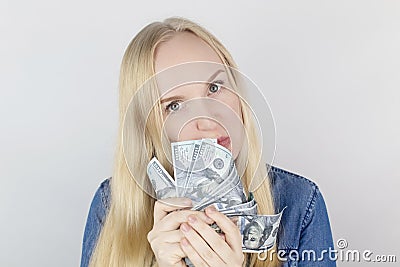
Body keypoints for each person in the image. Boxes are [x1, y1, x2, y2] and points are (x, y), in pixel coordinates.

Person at [80, 17, 336, 267]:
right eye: (175, 105)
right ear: (147, 127)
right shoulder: (111, 206)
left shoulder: (301, 203)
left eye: (214, 87)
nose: (208, 119)